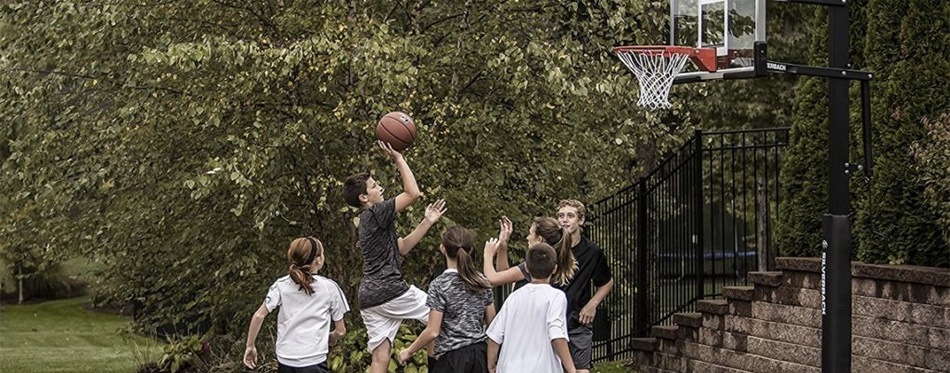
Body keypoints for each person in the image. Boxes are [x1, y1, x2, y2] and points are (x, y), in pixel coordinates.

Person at [343, 141, 447, 373]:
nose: (379, 188)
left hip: (370, 298)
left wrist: (427, 221)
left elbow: (401, 248)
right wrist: (398, 158)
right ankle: (428, 364)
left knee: (380, 358)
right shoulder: (374, 212)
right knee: (438, 319)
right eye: (374, 186)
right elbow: (413, 193)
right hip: (390, 290)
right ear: (363, 197)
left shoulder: (370, 221)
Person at [396, 226, 496, 372]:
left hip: (452, 359)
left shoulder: (439, 285)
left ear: (443, 248)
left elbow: (432, 331)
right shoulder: (482, 281)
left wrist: (408, 351)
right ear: (470, 249)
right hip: (479, 356)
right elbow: (492, 323)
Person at [243, 237, 349, 373]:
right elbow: (341, 331)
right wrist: (332, 337)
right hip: (314, 360)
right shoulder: (329, 288)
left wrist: (250, 346)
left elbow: (259, 315)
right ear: (318, 260)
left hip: (286, 359)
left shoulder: (281, 285)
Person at [485, 242, 576, 373]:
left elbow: (494, 336)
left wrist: (491, 365)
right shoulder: (556, 297)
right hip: (543, 367)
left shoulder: (514, 297)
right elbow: (556, 334)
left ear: (526, 268)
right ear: (555, 268)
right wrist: (571, 369)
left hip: (510, 367)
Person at [556, 199, 614, 373]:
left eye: (570, 216)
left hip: (577, 322)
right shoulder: (551, 248)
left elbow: (606, 282)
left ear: (580, 220)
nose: (565, 220)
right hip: (551, 321)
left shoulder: (592, 252)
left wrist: (592, 305)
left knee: (581, 369)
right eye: (561, 216)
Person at [482, 216, 577, 288]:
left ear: (539, 239)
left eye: (530, 233)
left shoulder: (537, 263)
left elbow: (493, 279)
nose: (527, 238)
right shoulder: (555, 260)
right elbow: (503, 274)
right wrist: (503, 244)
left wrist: (488, 255)